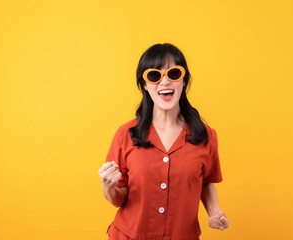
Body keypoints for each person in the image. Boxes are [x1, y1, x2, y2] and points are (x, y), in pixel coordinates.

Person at [98, 43, 229, 240]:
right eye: (154, 76)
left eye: (173, 74)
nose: (165, 82)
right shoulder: (126, 134)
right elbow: (120, 198)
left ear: (183, 80)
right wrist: (109, 188)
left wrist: (215, 212)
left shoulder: (206, 136)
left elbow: (205, 181)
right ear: (144, 84)